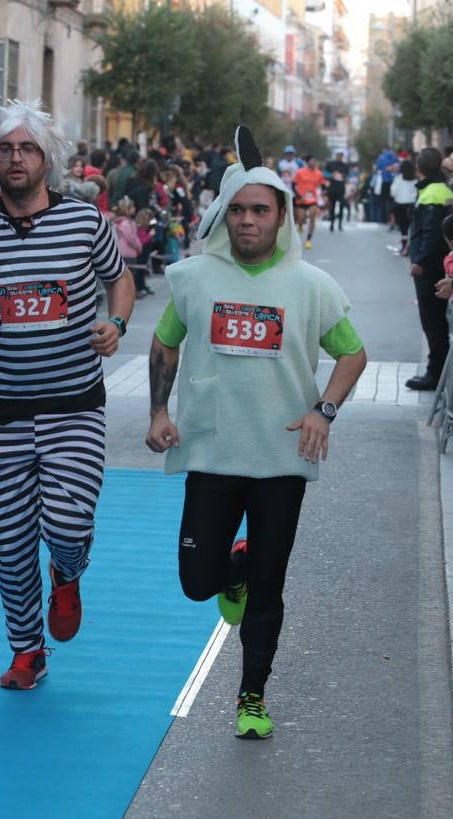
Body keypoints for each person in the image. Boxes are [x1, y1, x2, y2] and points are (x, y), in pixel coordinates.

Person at [146, 127, 367, 740]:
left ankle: (251, 697)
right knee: (197, 583)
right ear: (227, 215)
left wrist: (324, 411)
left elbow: (353, 356)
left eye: (260, 211)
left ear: (281, 217)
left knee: (270, 588)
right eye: (239, 209)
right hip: (211, 452)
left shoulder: (312, 286)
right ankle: (231, 567)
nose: (248, 221)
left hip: (281, 457)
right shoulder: (193, 278)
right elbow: (165, 342)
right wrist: (159, 414)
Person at [0, 99, 135, 690]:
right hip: (1, 408)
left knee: (68, 524)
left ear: (48, 158)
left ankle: (68, 571)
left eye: (27, 148)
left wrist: (116, 326)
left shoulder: (84, 222)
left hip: (74, 402)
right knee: (13, 536)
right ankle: (26, 650)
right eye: (4, 149)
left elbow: (119, 281)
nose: (15, 158)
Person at [403, 149, 453, 391]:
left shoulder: (431, 193)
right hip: (439, 263)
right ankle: (438, 368)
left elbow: (432, 233)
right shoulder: (441, 189)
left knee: (432, 319)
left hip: (430, 266)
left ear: (419, 168)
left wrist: (420, 260)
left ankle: (435, 372)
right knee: (436, 319)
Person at [292, 156, 326, 249]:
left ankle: (308, 240)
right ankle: (300, 225)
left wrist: (323, 191)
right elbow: (293, 185)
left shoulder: (319, 173)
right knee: (300, 218)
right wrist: (298, 196)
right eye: (312, 161)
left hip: (312, 200)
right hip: (301, 200)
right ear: (307, 162)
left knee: (312, 217)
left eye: (315, 161)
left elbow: (323, 185)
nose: (314, 163)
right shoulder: (300, 172)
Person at [325, 151, 348, 232]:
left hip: (341, 188)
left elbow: (348, 175)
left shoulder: (345, 165)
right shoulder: (330, 164)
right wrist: (331, 175)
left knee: (342, 206)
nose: (339, 157)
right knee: (332, 206)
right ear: (335, 155)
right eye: (338, 155)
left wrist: (344, 177)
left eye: (341, 155)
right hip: (332, 188)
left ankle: (340, 224)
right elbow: (325, 174)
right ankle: (332, 224)